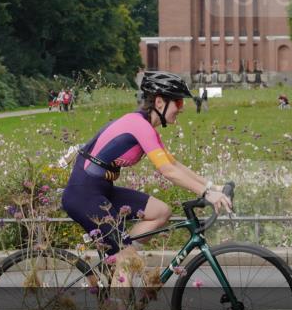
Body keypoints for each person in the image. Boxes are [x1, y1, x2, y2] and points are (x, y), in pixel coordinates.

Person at [61, 71, 233, 294]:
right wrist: (207, 194)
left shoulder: (145, 126)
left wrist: (212, 187)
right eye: (178, 101)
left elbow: (173, 163)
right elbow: (167, 171)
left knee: (161, 211)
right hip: (83, 195)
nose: (181, 108)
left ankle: (120, 258)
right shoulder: (139, 126)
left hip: (100, 191)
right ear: (160, 102)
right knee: (126, 257)